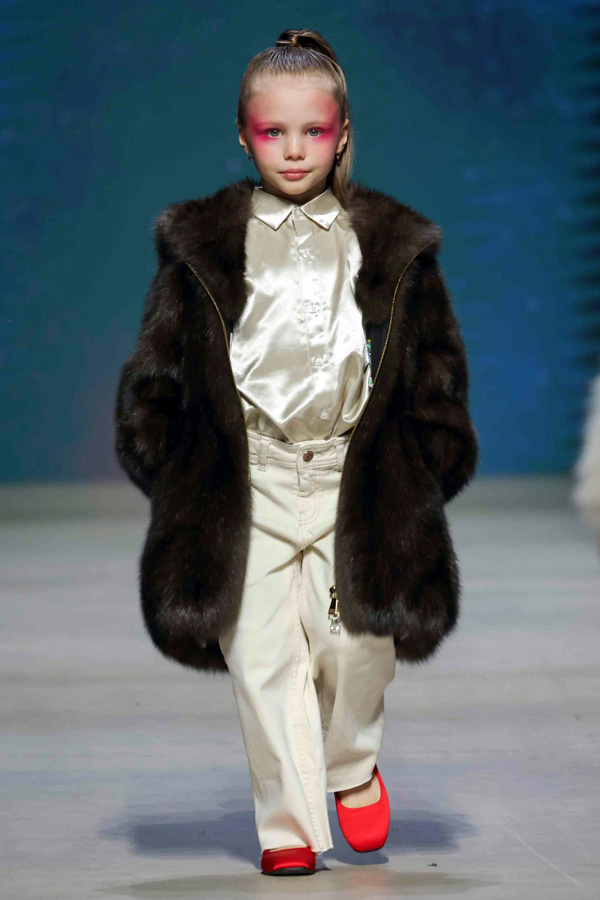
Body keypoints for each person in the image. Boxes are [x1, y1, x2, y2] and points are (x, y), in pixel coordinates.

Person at [114, 28, 479, 876]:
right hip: (252, 480)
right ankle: (285, 829)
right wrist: (178, 472)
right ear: (243, 135)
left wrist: (425, 462)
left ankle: (350, 766)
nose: (292, 149)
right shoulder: (202, 247)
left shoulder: (392, 246)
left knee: (358, 647)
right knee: (262, 657)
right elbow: (157, 371)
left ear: (342, 133)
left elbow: (435, 367)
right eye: (272, 131)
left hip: (356, 477)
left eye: (312, 130)